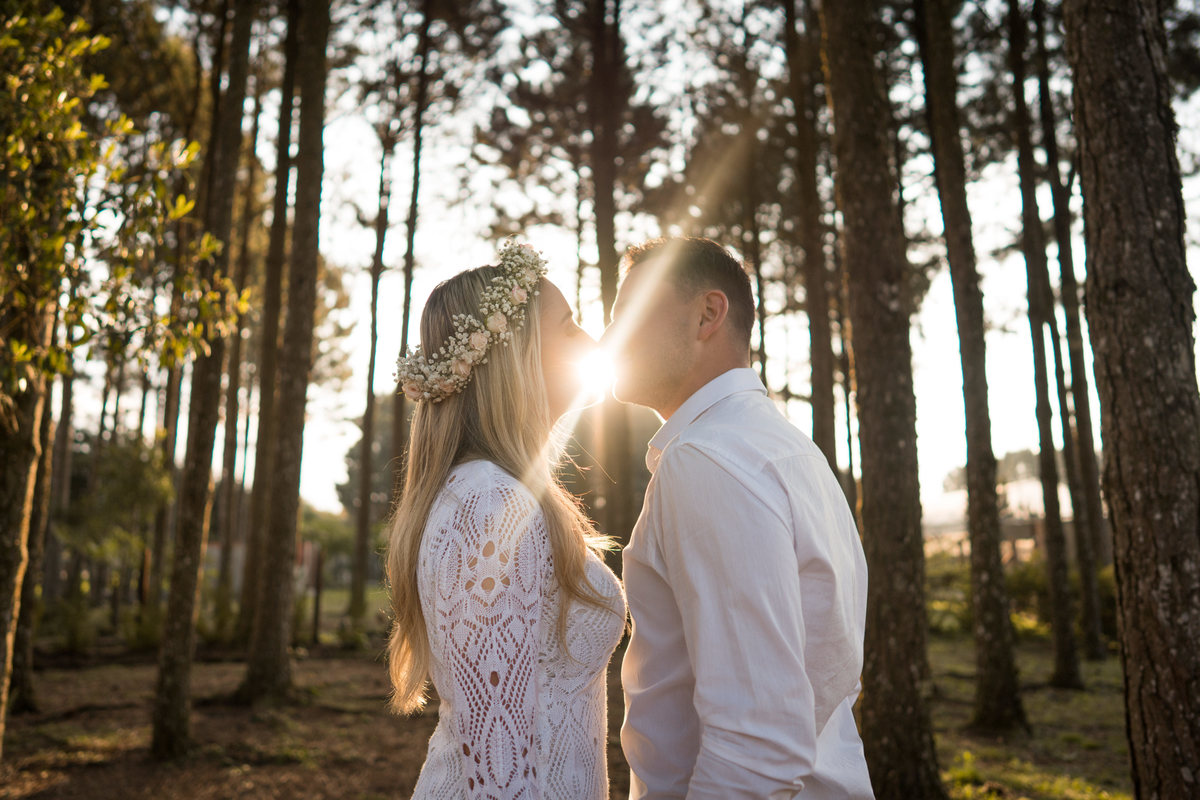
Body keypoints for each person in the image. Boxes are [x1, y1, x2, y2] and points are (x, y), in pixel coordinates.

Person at [605, 237, 874, 799]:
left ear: (708, 313)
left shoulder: (709, 460)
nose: (609, 340)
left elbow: (757, 744)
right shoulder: (786, 449)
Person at [385, 240, 627, 800]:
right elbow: (497, 777)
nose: (591, 343)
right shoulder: (485, 508)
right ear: (515, 357)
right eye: (568, 327)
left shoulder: (503, 495)